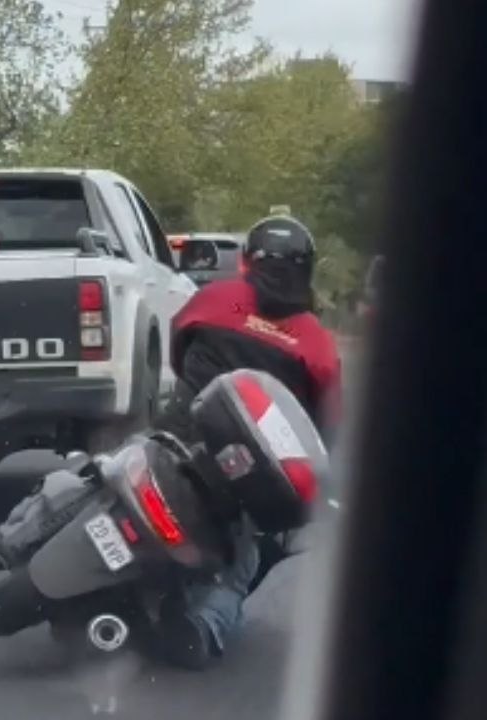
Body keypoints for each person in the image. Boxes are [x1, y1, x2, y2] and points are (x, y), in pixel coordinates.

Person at [151, 214, 343, 670]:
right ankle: (207, 624)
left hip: (174, 437)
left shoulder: (215, 298)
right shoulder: (315, 341)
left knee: (107, 465)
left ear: (246, 261)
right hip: (243, 474)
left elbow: (178, 349)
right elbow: (325, 428)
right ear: (306, 270)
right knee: (247, 561)